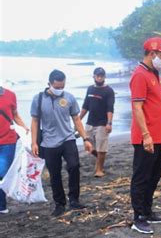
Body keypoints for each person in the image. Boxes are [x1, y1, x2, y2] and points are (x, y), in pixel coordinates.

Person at [31, 70, 93, 217]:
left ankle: (74, 199)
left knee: (74, 166)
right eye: (57, 87)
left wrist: (85, 138)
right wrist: (34, 142)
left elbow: (76, 119)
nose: (59, 90)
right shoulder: (38, 99)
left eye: (62, 87)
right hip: (48, 143)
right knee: (55, 174)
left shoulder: (69, 98)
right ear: (49, 84)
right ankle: (59, 203)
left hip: (68, 139)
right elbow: (35, 121)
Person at [129, 36, 161, 234]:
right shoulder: (139, 75)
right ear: (152, 53)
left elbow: (157, 106)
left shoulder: (153, 73)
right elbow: (137, 107)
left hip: (160, 134)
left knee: (155, 175)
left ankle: (147, 210)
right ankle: (138, 216)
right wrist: (146, 135)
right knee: (142, 176)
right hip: (146, 136)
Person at [79, 67, 115, 177]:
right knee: (89, 146)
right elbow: (85, 106)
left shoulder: (108, 91)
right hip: (90, 122)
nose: (99, 78)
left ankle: (99, 169)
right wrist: (78, 120)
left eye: (101, 76)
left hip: (102, 123)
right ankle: (100, 157)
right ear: (94, 76)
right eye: (97, 76)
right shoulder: (90, 89)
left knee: (101, 147)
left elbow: (110, 108)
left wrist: (109, 123)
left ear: (104, 77)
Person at [0, 86, 29, 214]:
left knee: (3, 174)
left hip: (8, 140)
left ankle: (1, 205)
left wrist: (24, 127)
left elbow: (15, 115)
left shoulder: (10, 95)